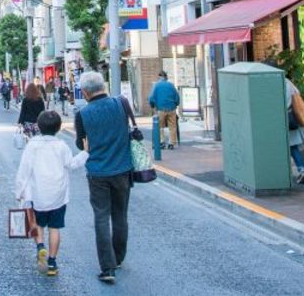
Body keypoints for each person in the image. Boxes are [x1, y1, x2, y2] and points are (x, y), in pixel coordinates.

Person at [74, 71, 136, 285]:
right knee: (120, 215)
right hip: (122, 168)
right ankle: (118, 258)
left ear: (84, 92)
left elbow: (79, 144)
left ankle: (107, 267)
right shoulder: (121, 104)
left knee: (101, 217)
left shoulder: (82, 114)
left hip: (98, 172)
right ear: (104, 85)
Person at [15, 110, 87, 277]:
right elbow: (71, 164)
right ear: (59, 128)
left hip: (37, 194)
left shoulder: (32, 145)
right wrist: (85, 153)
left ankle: (40, 247)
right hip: (58, 196)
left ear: (39, 127)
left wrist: (19, 191)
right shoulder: (61, 146)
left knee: (38, 224)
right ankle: (52, 263)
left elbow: (24, 170)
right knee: (55, 228)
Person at [148, 70, 181, 149]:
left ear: (159, 77)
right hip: (172, 108)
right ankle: (171, 143)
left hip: (160, 109)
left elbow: (151, 98)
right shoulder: (171, 85)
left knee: (160, 127)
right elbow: (177, 97)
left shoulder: (156, 85)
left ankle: (161, 142)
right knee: (172, 126)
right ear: (166, 77)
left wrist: (153, 105)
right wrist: (175, 104)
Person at [286, 77, 304, 184]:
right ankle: (302, 170)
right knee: (293, 147)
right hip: (290, 117)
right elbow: (297, 94)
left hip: (278, 119)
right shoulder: (287, 82)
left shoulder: (267, 82)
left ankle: (285, 173)